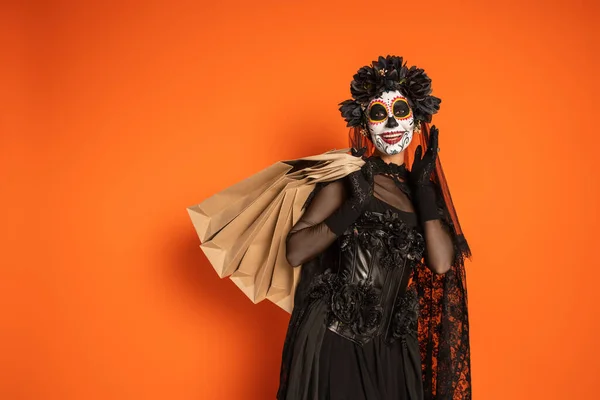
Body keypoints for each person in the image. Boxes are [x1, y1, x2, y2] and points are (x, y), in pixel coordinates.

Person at [276, 55, 472, 400]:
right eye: (379, 114)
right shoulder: (349, 178)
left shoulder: (421, 192)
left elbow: (441, 264)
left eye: (401, 111)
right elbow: (295, 252)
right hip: (337, 335)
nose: (392, 122)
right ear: (366, 127)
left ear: (417, 122)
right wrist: (354, 205)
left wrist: (424, 188)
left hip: (394, 346)